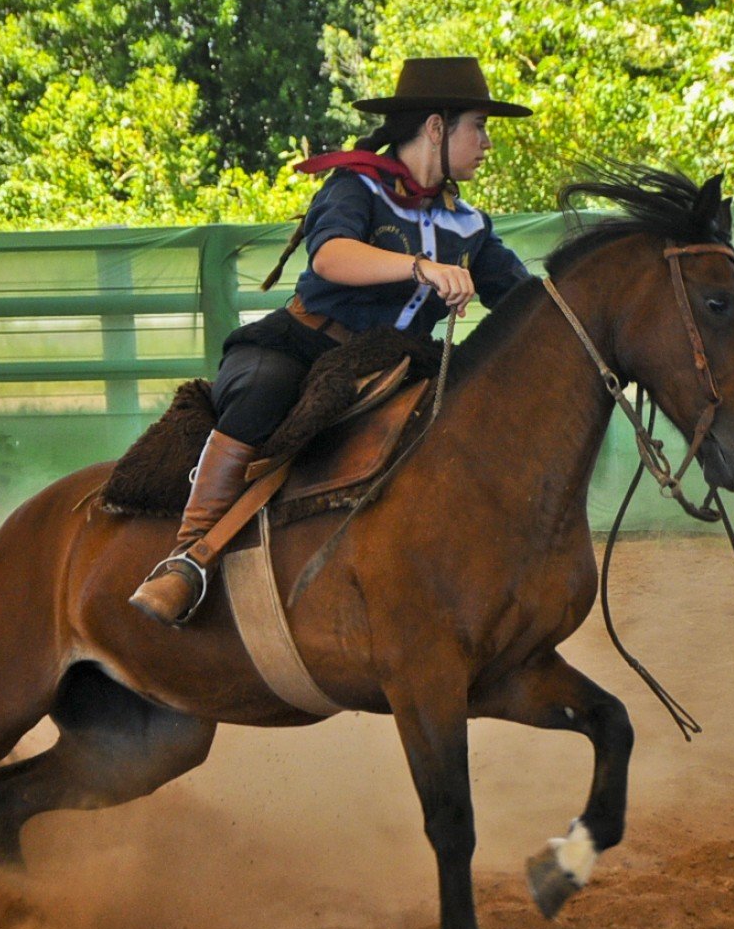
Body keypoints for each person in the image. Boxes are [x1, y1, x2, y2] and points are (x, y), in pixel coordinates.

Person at [131, 57, 534, 625]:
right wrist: (421, 267)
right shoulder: (354, 186)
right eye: (479, 126)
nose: (487, 142)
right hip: (299, 344)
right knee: (263, 389)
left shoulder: (470, 225)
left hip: (396, 363)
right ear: (437, 128)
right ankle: (187, 560)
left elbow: (526, 300)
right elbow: (330, 255)